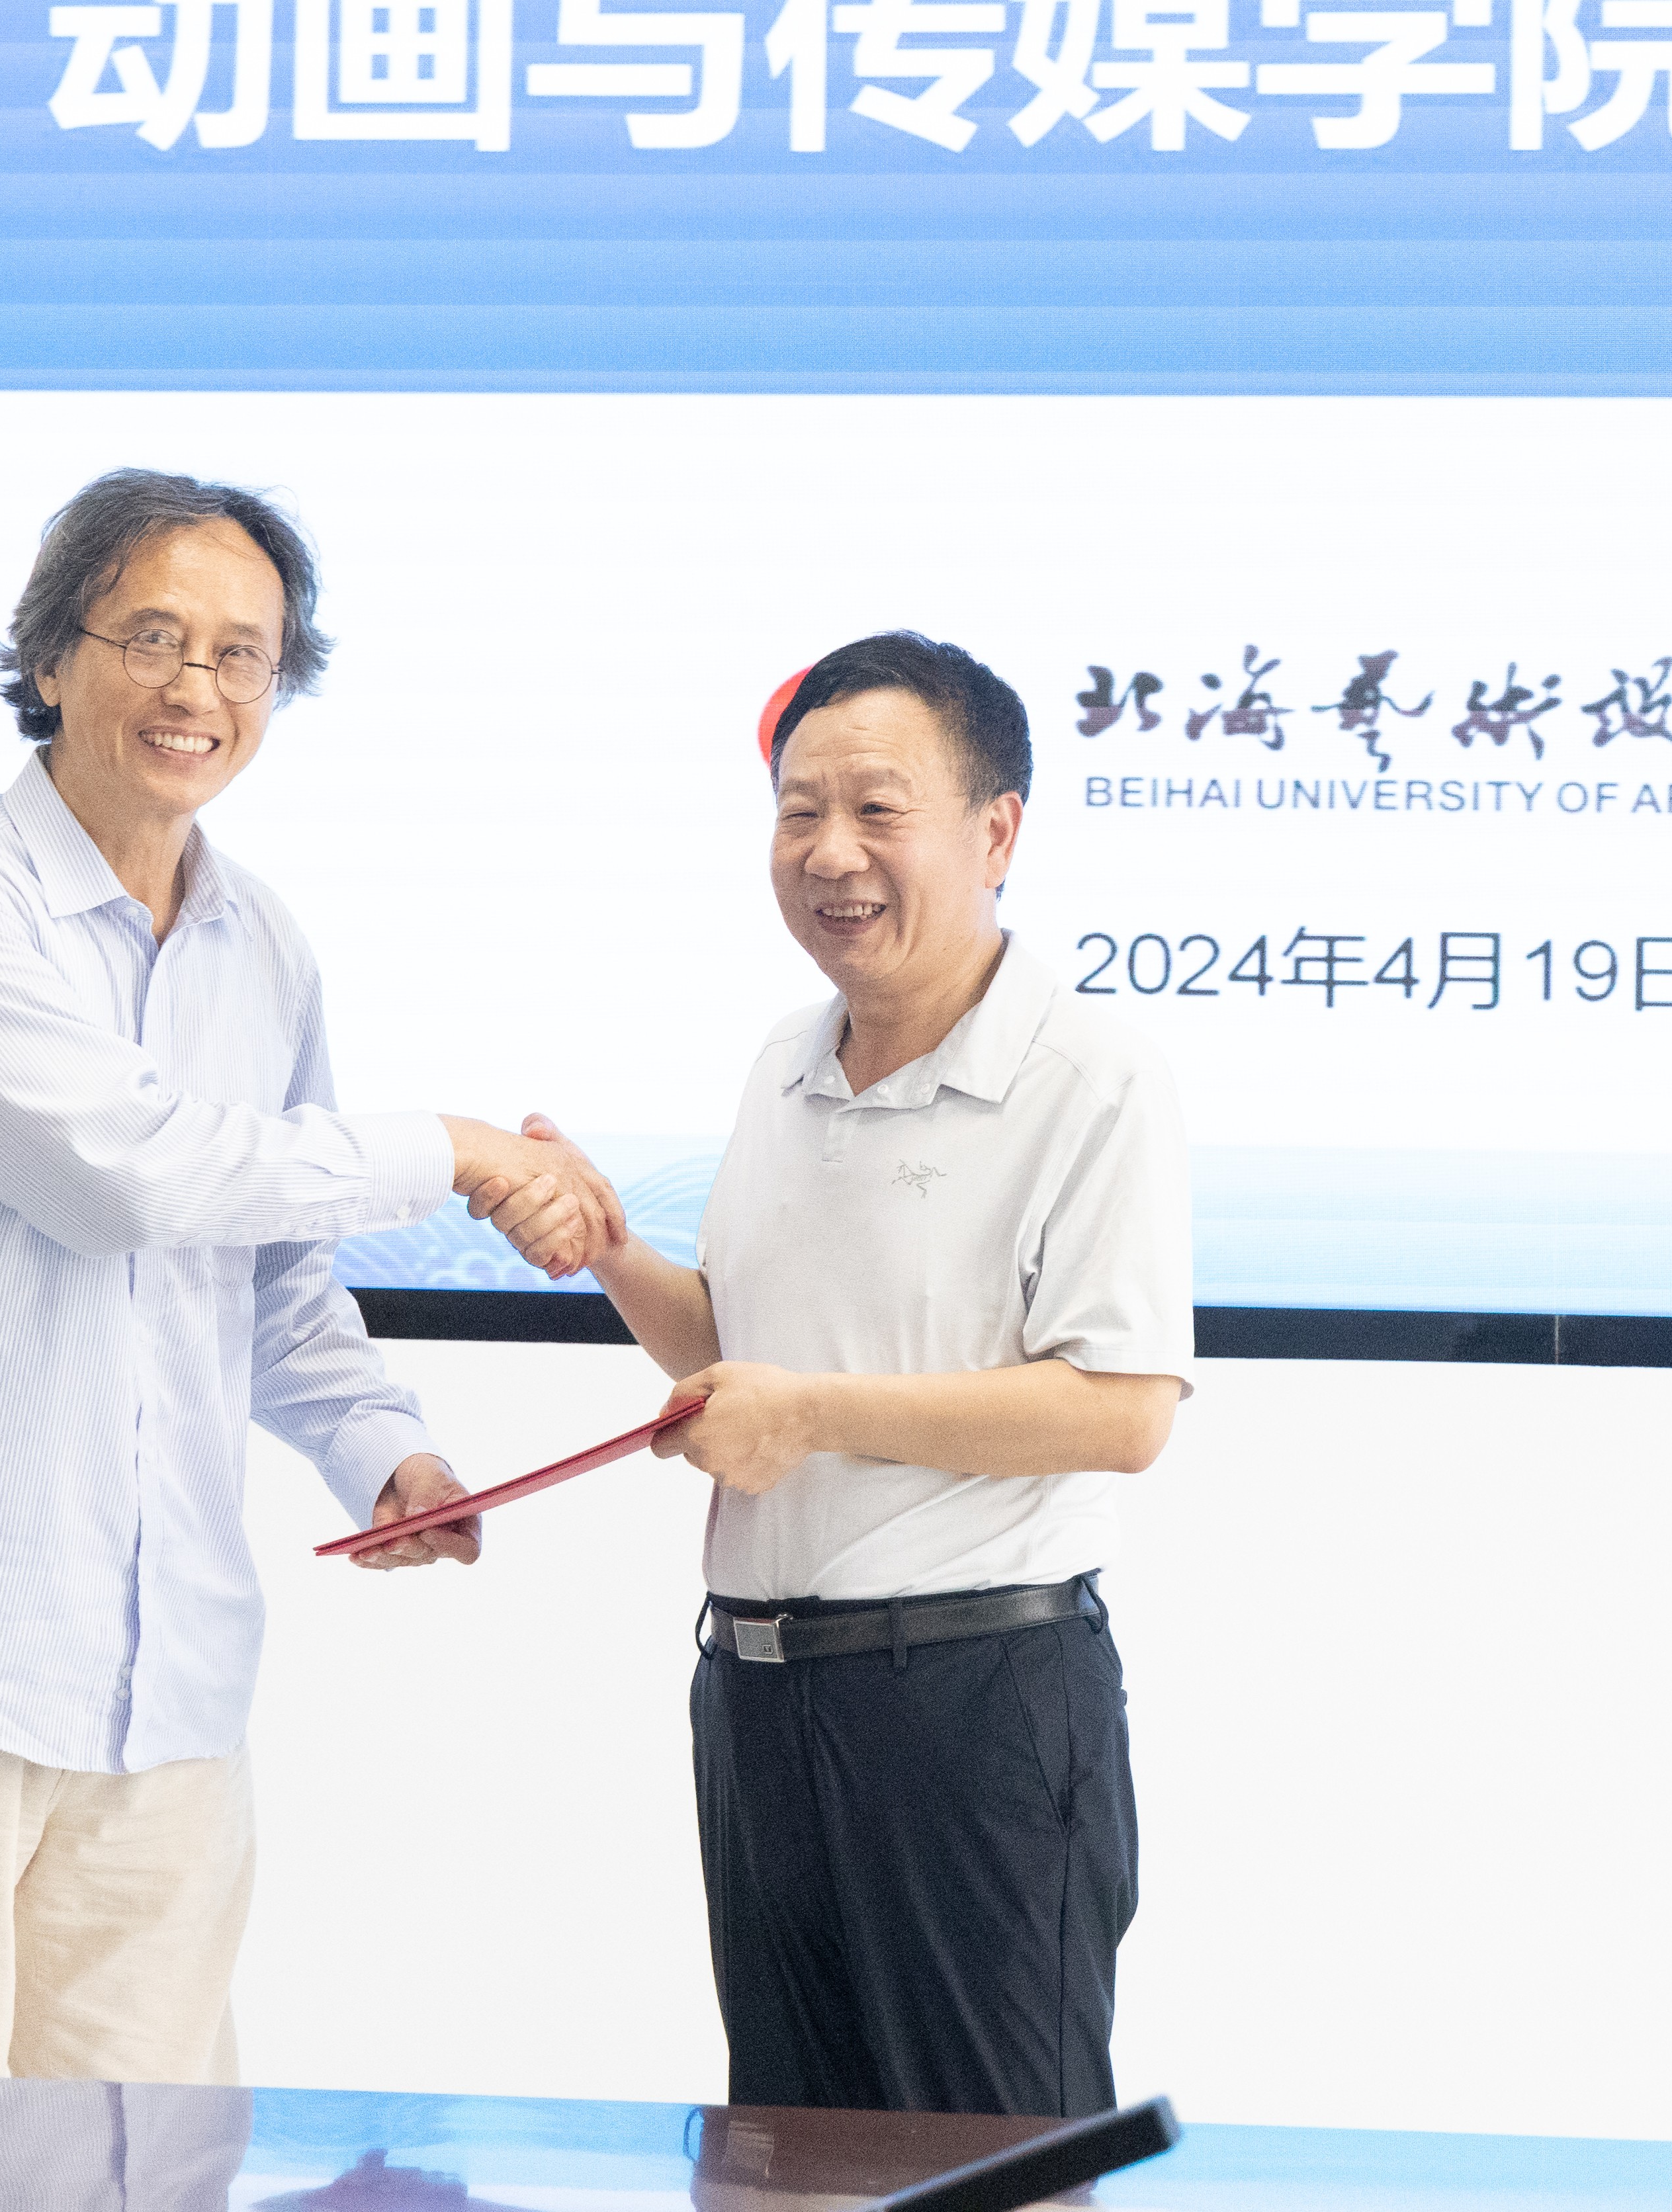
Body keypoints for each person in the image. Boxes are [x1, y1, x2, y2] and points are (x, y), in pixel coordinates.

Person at [0, 468, 621, 2087]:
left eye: (241, 656)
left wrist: (382, 1451)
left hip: (172, 1696)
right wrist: (450, 1148)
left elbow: (274, 1279)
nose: (195, 689)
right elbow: (128, 1174)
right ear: (50, 655)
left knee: (138, 2171)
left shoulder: (263, 944)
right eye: (151, 638)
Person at [504, 630, 1191, 2117]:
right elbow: (739, 1359)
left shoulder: (1088, 1076)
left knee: (987, 2162)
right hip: (758, 1700)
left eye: (877, 810)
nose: (830, 853)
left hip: (969, 1701)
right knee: (782, 2157)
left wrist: (810, 1414)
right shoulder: (785, 1056)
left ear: (995, 832)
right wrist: (611, 1246)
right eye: (797, 811)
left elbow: (1123, 1409)